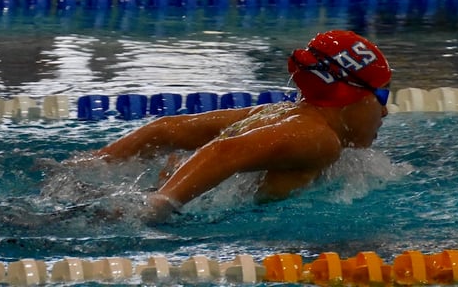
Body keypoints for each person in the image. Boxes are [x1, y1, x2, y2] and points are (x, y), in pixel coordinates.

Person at [94, 30, 393, 223]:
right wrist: (159, 205)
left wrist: (95, 162)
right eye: (381, 95)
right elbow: (225, 151)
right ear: (349, 94)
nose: (385, 110)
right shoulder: (318, 138)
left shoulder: (279, 113)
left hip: (143, 195)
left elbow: (164, 129)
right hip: (179, 216)